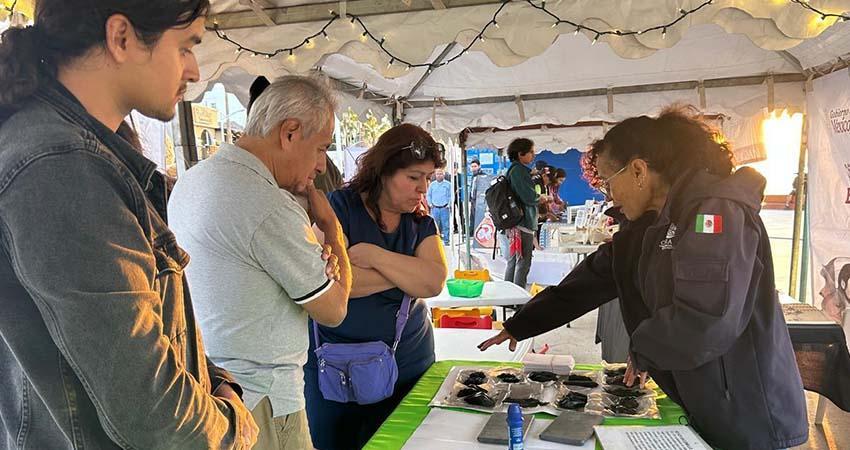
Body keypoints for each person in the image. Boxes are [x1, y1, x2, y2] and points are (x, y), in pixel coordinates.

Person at [0, 1, 260, 448]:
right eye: (185, 47)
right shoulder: (62, 170)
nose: (195, 70)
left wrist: (218, 385)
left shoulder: (85, 152)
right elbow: (156, 415)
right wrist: (236, 426)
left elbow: (155, 335)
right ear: (121, 37)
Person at [480, 106, 808, 450]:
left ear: (638, 170)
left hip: (747, 412)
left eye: (608, 180)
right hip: (706, 398)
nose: (609, 194)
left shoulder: (713, 213)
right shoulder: (651, 224)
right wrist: (522, 323)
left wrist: (644, 348)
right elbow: (592, 279)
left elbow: (706, 318)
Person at [169, 76, 352, 450]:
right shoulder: (269, 206)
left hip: (211, 392)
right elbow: (334, 309)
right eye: (321, 148)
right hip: (265, 405)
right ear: (290, 132)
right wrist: (331, 227)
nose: (321, 165)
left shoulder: (191, 181)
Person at [305, 124, 448, 449]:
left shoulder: (422, 223)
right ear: (384, 171)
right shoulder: (338, 208)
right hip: (333, 369)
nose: (423, 188)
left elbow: (434, 281)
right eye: (414, 177)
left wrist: (373, 255)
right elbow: (326, 282)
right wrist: (405, 275)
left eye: (427, 178)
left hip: (407, 367)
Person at [503, 138, 548, 288]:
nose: (533, 155)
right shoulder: (518, 171)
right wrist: (541, 197)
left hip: (517, 223)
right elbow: (528, 196)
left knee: (514, 261)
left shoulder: (515, 170)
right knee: (523, 262)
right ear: (520, 154)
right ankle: (516, 299)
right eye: (531, 152)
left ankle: (509, 296)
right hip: (522, 223)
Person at [427, 168, 452, 245]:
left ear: (444, 174)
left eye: (441, 173)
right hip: (435, 208)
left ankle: (446, 241)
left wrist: (449, 204)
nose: (439, 175)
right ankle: (436, 241)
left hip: (444, 208)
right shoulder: (432, 185)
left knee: (446, 225)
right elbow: (428, 195)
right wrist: (430, 204)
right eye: (437, 174)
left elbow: (451, 195)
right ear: (435, 175)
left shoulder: (448, 184)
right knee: (434, 226)